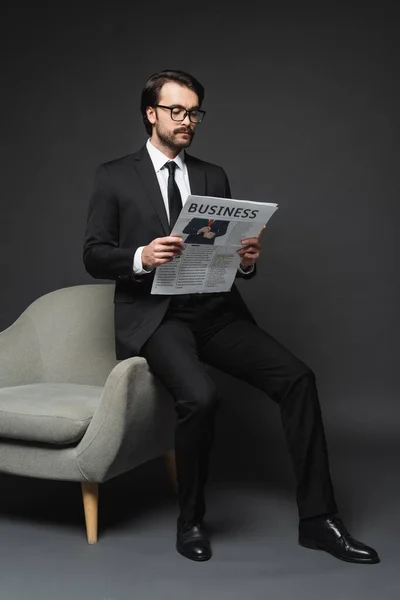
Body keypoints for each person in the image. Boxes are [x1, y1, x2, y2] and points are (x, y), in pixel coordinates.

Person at [83, 69, 380, 564]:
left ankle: (318, 520)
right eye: (176, 111)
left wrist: (245, 261)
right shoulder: (114, 175)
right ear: (151, 114)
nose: (187, 121)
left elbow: (219, 253)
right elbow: (93, 255)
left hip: (214, 310)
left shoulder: (211, 174)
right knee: (200, 397)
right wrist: (140, 256)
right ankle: (191, 520)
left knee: (299, 379)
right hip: (157, 317)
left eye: (194, 112)